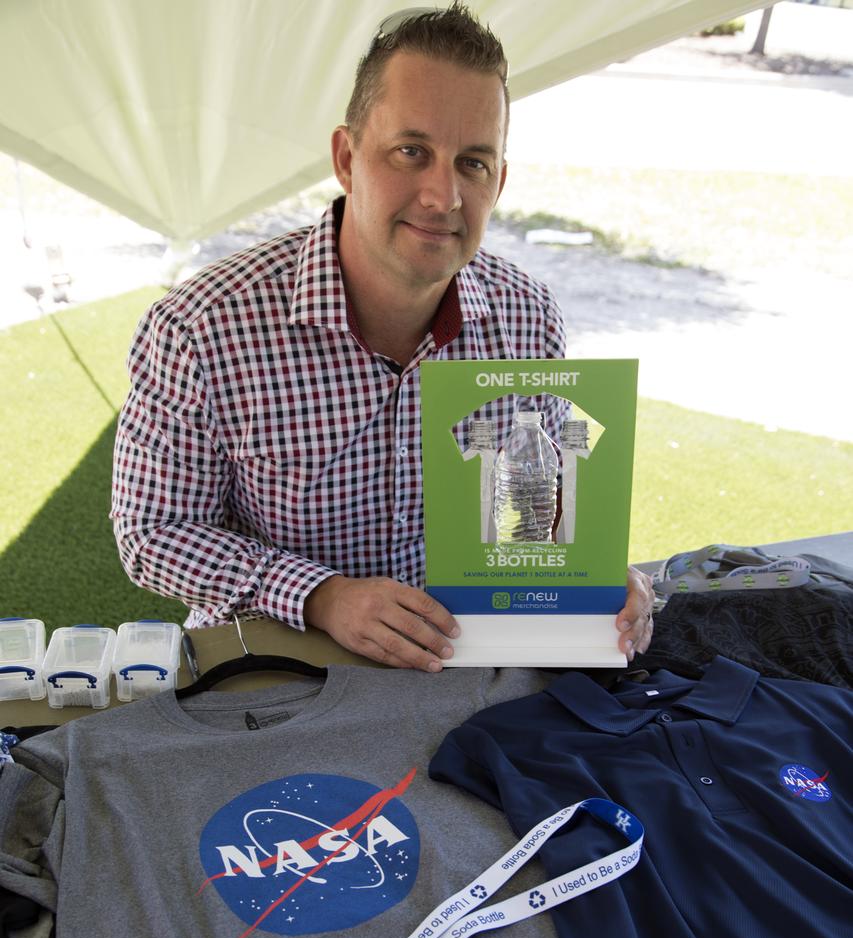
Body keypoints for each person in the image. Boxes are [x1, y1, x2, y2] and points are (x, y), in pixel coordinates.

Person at [111, 3, 653, 672]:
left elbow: (529, 514)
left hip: (454, 668)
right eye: (411, 152)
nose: (442, 195)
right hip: (272, 674)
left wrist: (591, 579)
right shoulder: (202, 327)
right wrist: (321, 596)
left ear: (498, 182)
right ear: (346, 157)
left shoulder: (526, 318)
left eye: (473, 164)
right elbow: (154, 535)